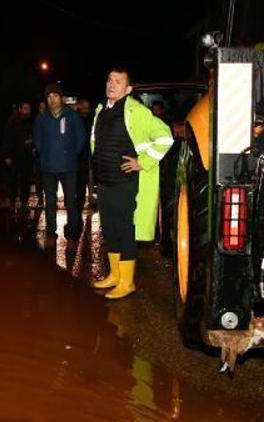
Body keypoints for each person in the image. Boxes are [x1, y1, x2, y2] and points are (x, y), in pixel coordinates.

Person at [91, 67, 174, 299]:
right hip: (105, 181)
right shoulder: (101, 110)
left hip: (125, 182)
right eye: (109, 80)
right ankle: (115, 275)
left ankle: (127, 282)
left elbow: (166, 136)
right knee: (109, 229)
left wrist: (143, 162)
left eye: (118, 81)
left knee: (125, 230)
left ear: (128, 89)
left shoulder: (136, 111)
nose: (111, 84)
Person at [34, 83, 86, 248]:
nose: (52, 99)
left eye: (55, 96)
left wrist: (70, 155)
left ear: (61, 98)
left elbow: (81, 139)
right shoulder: (42, 118)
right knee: (50, 202)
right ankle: (51, 234)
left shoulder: (72, 116)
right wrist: (46, 155)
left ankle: (71, 236)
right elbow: (38, 140)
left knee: (71, 202)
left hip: (68, 167)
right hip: (48, 167)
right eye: (49, 97)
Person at [3, 101, 35, 211]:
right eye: (25, 108)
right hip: (14, 157)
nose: (27, 111)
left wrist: (31, 143)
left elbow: (34, 137)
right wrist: (7, 155)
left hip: (27, 158)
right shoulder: (12, 121)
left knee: (25, 182)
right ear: (20, 109)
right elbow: (7, 139)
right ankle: (12, 203)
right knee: (12, 181)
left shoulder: (31, 122)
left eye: (28, 109)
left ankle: (24, 203)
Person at [76, 98, 94, 210]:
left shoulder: (90, 119)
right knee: (80, 182)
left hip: (89, 155)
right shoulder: (76, 119)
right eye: (84, 107)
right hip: (80, 156)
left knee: (89, 179)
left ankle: (90, 198)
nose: (86, 110)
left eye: (87, 108)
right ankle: (80, 203)